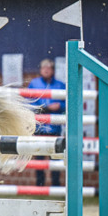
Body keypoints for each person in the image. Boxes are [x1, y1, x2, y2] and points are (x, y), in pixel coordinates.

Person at [28, 58, 66, 187]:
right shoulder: (34, 83)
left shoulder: (60, 85)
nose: (46, 70)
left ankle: (55, 184)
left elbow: (68, 103)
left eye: (49, 67)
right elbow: (29, 102)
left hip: (55, 128)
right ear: (40, 70)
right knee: (39, 158)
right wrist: (45, 107)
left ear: (53, 70)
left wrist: (60, 106)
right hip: (39, 127)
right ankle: (40, 184)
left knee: (55, 157)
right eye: (43, 67)